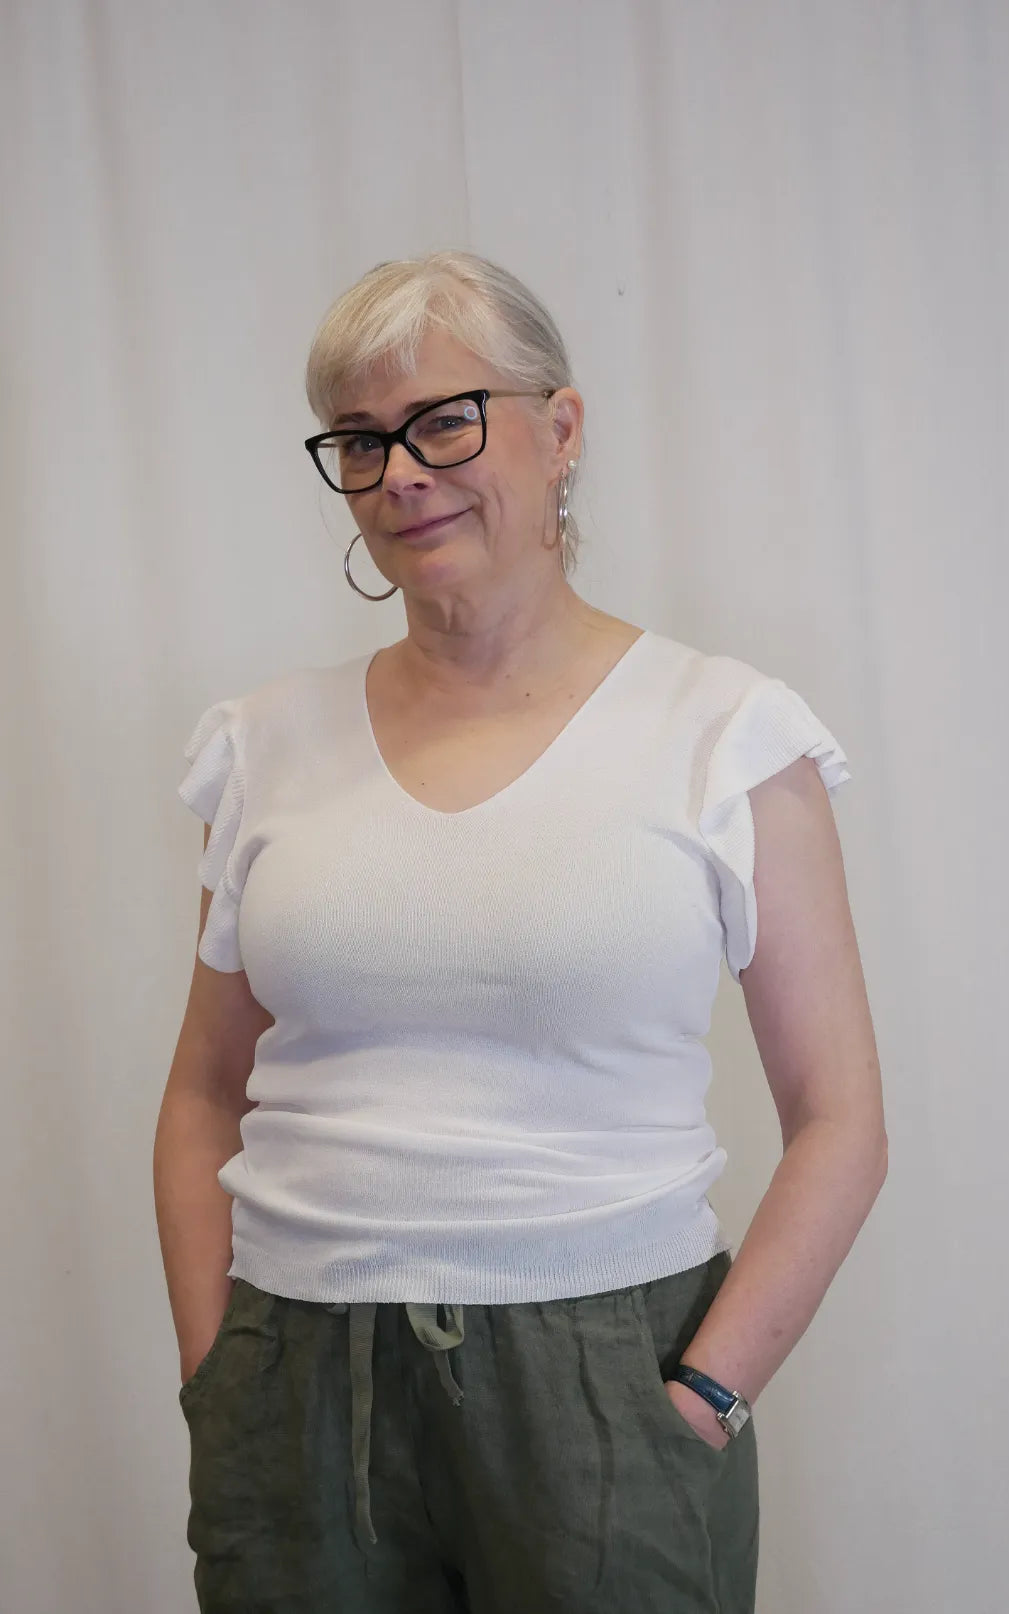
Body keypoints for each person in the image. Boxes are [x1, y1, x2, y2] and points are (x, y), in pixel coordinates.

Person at [155, 250, 887, 1614]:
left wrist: (706, 1391)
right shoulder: (262, 746)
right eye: (362, 440)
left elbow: (841, 1118)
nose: (402, 473)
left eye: (445, 421)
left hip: (609, 1377)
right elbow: (203, 1091)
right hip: (296, 1382)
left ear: (561, 430)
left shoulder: (725, 732)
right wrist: (220, 1373)